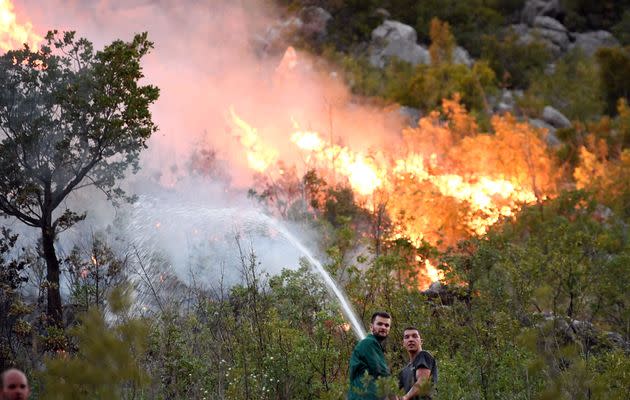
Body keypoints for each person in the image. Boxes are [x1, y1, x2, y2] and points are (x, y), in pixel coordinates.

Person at [348, 311, 392, 400]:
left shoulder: (370, 344)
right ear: (371, 327)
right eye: (379, 324)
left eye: (387, 325)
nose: (383, 327)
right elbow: (383, 373)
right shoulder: (369, 342)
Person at [398, 327, 438, 400]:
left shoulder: (424, 355)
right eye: (407, 337)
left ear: (421, 341)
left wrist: (405, 397)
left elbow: (422, 381)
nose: (410, 339)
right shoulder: (403, 371)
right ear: (403, 343)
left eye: (415, 336)